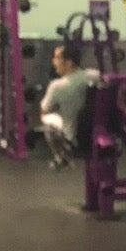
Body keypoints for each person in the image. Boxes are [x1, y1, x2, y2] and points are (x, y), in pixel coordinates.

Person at [39, 39, 98, 167]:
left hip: (73, 137)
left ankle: (60, 157)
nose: (53, 61)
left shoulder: (56, 86)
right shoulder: (95, 75)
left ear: (69, 62)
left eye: (57, 58)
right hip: (95, 131)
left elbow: (44, 111)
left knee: (46, 119)